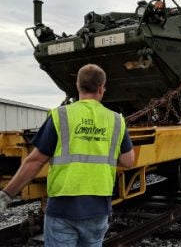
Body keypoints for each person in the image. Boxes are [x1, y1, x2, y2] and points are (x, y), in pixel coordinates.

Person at [0, 64, 135, 246]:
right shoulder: (116, 120)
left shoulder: (60, 116)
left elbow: (35, 162)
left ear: (77, 86)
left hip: (62, 210)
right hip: (98, 209)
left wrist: (7, 195)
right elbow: (128, 161)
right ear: (102, 88)